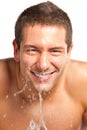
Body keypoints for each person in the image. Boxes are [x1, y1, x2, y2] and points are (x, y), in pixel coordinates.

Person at [0, 1, 87, 130]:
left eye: (55, 51)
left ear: (69, 52)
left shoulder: (83, 84)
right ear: (16, 50)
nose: (43, 65)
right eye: (32, 50)